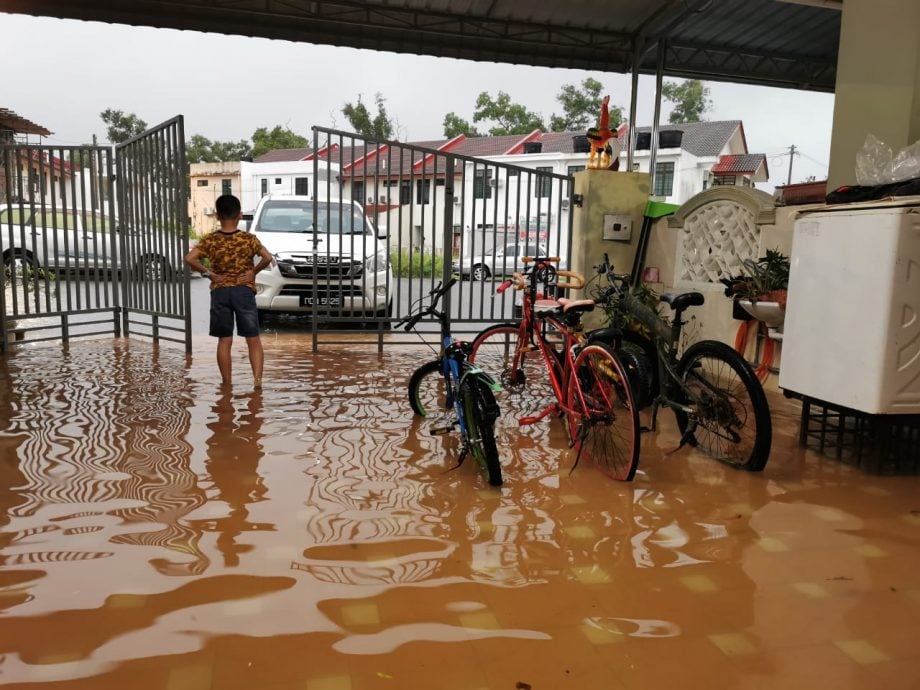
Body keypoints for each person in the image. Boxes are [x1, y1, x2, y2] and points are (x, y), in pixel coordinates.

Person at [185, 194, 273, 388]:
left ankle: (227, 385)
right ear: (240, 215)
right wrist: (252, 273)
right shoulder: (249, 239)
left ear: (217, 216)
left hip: (220, 292)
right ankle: (257, 383)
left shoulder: (210, 240)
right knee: (253, 339)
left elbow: (190, 259)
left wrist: (210, 274)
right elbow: (267, 258)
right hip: (243, 292)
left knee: (224, 340)